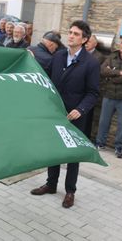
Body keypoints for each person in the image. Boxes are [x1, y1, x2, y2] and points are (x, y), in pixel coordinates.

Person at [30, 20, 99, 208]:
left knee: (72, 154)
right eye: (70, 32)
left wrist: (80, 109)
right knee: (54, 149)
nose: (71, 36)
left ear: (84, 39)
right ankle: (51, 184)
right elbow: (47, 77)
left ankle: (70, 191)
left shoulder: (91, 63)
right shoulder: (59, 56)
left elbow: (93, 93)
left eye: (76, 34)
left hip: (75, 116)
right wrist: (30, 60)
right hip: (56, 113)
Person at [84, 34, 106, 139]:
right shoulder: (81, 53)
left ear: (95, 44)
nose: (86, 43)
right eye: (86, 41)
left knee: (88, 117)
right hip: (79, 89)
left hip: (89, 90)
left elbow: (97, 73)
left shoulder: (99, 56)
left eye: (89, 42)